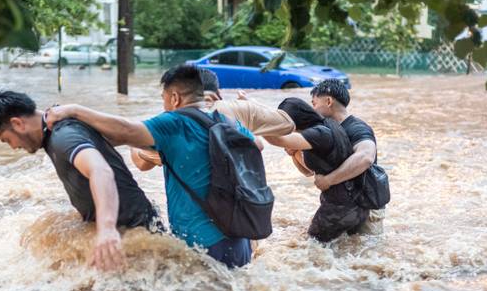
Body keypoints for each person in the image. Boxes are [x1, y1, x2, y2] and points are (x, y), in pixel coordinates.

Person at [45, 65, 260, 268]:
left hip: (202, 244)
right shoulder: (227, 121)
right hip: (240, 239)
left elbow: (126, 131)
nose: (164, 105)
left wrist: (74, 110)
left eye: (164, 98)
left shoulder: (174, 122)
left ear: (175, 98)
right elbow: (257, 145)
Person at [0, 91, 159, 271]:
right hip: (126, 231)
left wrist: (106, 229)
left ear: (17, 123)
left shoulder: (63, 136)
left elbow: (100, 170)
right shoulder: (56, 129)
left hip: (135, 233)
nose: (13, 147)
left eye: (6, 140)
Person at [129, 68, 294, 171]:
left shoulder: (171, 122)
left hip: (194, 217)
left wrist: (135, 145)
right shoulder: (240, 108)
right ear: (218, 91)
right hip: (246, 211)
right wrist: (251, 108)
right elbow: (288, 125)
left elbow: (141, 165)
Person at [265, 98, 369, 242]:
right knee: (343, 253)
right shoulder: (325, 127)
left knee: (311, 249)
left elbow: (278, 140)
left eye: (283, 123)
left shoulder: (319, 133)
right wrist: (294, 153)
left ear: (292, 121)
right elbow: (307, 172)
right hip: (355, 206)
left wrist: (254, 119)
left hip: (339, 208)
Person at [306, 79, 377, 195]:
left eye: (314, 104)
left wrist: (329, 180)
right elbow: (309, 172)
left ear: (328, 101)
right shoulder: (327, 130)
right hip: (341, 204)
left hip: (365, 206)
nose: (313, 109)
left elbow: (366, 157)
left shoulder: (357, 128)